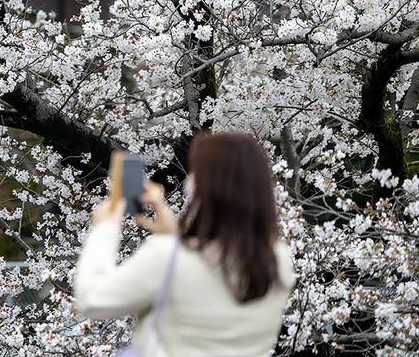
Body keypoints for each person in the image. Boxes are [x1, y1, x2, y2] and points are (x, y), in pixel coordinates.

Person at [74, 131, 294, 357]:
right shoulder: (279, 259)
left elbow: (92, 299)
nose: (188, 179)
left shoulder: (167, 256)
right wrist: (173, 237)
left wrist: (106, 227)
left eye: (195, 172)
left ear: (209, 185)